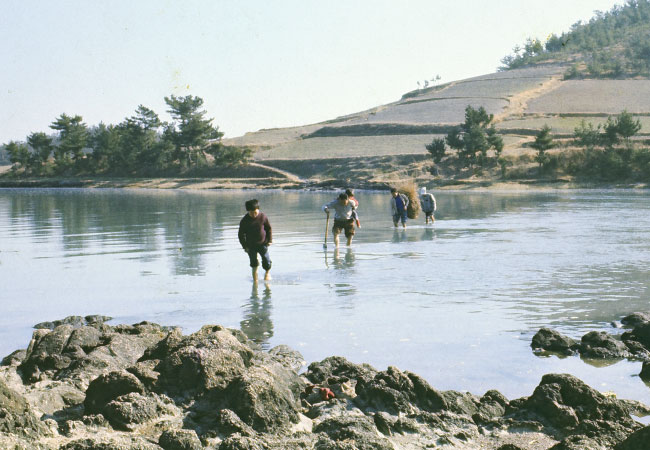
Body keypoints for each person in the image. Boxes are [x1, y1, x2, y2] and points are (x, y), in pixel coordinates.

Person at [238, 199, 272, 282]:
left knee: (266, 260)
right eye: (251, 213)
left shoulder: (263, 217)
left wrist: (269, 240)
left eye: (255, 212)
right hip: (251, 246)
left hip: (263, 243)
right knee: (253, 263)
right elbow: (241, 235)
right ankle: (255, 280)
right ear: (248, 211)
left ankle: (267, 273)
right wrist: (245, 246)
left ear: (258, 209)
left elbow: (268, 229)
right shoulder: (244, 221)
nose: (254, 215)